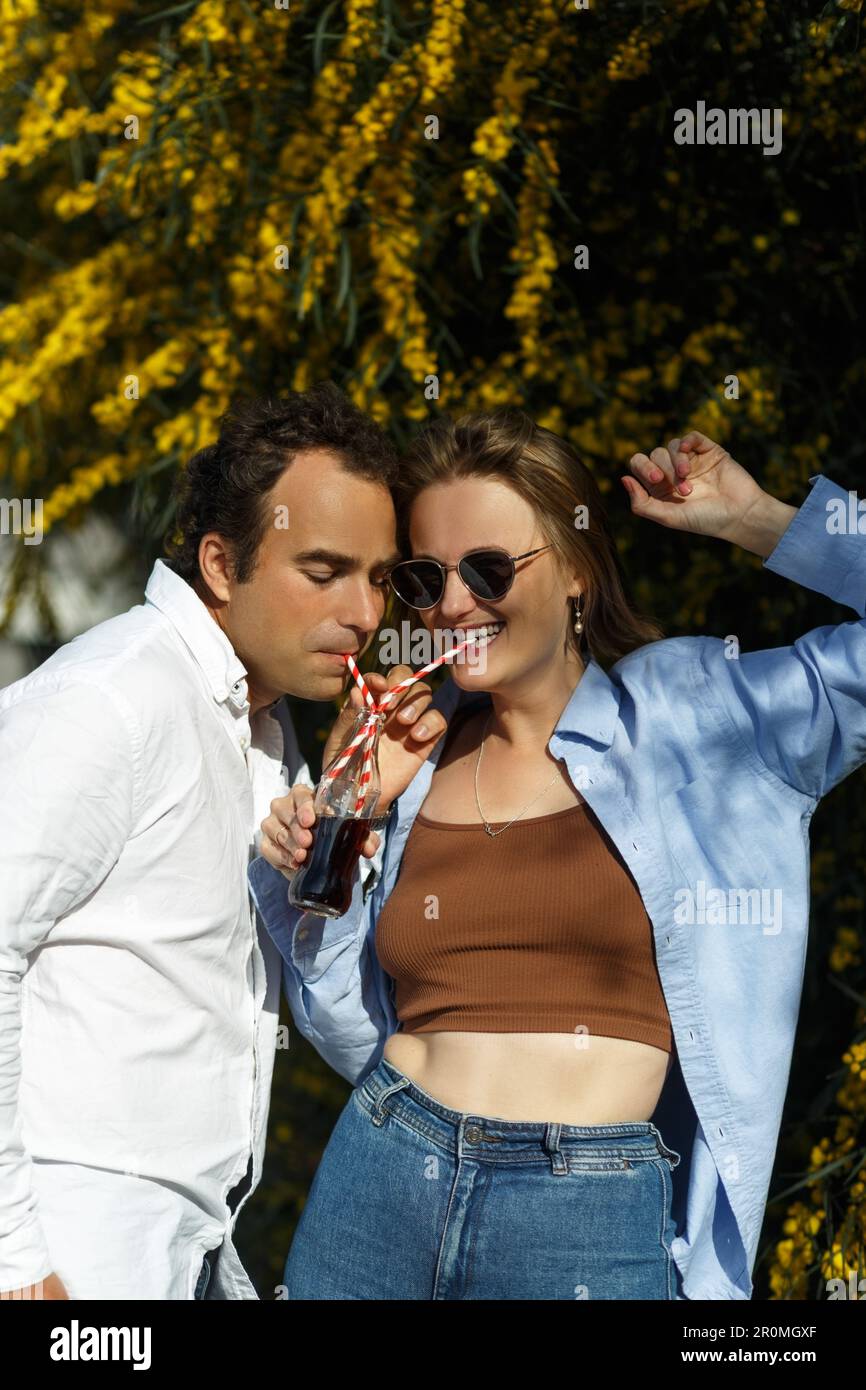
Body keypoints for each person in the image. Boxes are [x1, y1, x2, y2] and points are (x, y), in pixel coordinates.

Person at [252, 416, 866, 1300]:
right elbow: (342, 1022)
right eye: (427, 579)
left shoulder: (697, 716)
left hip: (582, 1214)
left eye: (491, 568)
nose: (454, 605)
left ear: (576, 570)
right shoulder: (414, 762)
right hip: (381, 1172)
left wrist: (759, 520)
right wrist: (347, 819)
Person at [0, 382, 443, 1301]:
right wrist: (14, 1260)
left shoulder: (271, 737)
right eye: (324, 573)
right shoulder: (114, 699)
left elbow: (352, 1035)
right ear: (220, 563)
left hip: (193, 1246)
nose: (365, 614)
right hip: (72, 1244)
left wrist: (344, 814)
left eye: (381, 578)